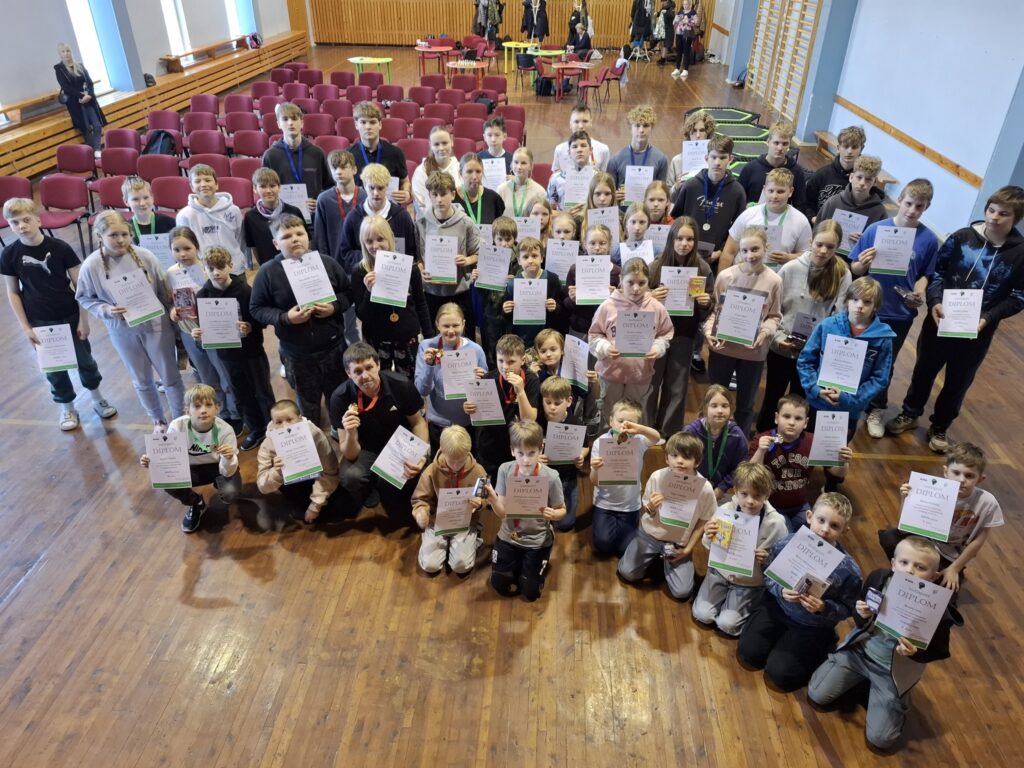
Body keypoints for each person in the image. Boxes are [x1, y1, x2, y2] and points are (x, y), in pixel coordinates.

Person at [807, 536, 963, 750]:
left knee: (881, 739)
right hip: (859, 652)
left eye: (920, 567)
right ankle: (860, 682)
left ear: (934, 576)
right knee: (816, 693)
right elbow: (859, 614)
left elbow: (939, 650)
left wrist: (915, 652)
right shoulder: (879, 578)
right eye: (904, 562)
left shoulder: (937, 608)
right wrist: (861, 613)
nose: (909, 571)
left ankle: (895, 699)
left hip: (892, 672)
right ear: (893, 563)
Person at [1, 197, 117, 430]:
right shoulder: (9, 254)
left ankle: (97, 399)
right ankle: (67, 408)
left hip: (69, 314)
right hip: (40, 320)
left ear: (38, 220)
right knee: (54, 369)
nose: (22, 226)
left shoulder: (60, 248)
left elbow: (81, 287)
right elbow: (13, 292)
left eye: (26, 220)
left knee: (85, 362)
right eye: (15, 222)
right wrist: (26, 327)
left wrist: (84, 320)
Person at [738, 492, 862, 691]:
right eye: (821, 520)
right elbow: (768, 574)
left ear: (845, 530)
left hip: (811, 625)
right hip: (777, 608)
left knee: (781, 674)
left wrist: (824, 607)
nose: (825, 529)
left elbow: (849, 608)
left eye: (834, 526)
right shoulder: (787, 542)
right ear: (809, 516)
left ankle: (824, 641)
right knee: (749, 653)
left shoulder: (850, 570)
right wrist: (780, 591)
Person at [76, 211, 184, 429]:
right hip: (122, 330)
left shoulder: (146, 256)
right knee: (142, 379)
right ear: (99, 236)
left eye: (124, 234)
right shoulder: (91, 265)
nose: (120, 240)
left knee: (170, 376)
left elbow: (165, 291)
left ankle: (180, 419)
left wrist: (175, 318)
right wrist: (106, 309)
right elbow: (84, 297)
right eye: (113, 235)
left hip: (156, 326)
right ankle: (158, 421)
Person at [849, 179, 938, 439]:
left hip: (899, 312)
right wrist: (863, 263)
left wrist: (919, 291)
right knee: (857, 356)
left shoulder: (928, 239)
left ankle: (876, 408)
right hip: (867, 308)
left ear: (926, 207)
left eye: (919, 206)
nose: (912, 210)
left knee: (885, 364)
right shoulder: (876, 230)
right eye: (909, 203)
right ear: (899, 200)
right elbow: (855, 268)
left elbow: (926, 274)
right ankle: (850, 403)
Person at [249, 214, 351, 425]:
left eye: (299, 233)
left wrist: (334, 307)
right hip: (296, 353)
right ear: (276, 243)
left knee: (338, 395)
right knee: (307, 401)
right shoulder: (268, 272)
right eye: (286, 236)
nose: (295, 239)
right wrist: (285, 317)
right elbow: (256, 308)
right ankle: (312, 431)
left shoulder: (327, 263)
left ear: (308, 236)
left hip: (333, 346)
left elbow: (348, 292)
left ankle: (339, 429)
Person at [755, 219, 851, 433]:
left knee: (802, 400)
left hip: (813, 351)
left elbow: (841, 316)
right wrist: (779, 339)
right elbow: (773, 310)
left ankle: (795, 443)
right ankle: (763, 438)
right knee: (773, 396)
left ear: (838, 247)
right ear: (810, 242)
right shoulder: (790, 268)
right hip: (782, 346)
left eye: (830, 247)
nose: (823, 251)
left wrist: (817, 343)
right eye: (819, 244)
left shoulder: (843, 273)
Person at [878, 442, 1002, 592]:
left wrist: (954, 569)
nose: (961, 479)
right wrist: (905, 499)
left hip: (949, 554)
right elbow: (904, 527)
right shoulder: (930, 489)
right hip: (922, 542)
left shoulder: (987, 503)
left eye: (969, 475)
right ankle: (907, 569)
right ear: (945, 471)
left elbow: (978, 540)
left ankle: (931, 571)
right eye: (956, 473)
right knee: (890, 538)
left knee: (946, 591)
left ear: (980, 479)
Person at [329, 342, 429, 519]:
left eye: (369, 367)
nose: (365, 376)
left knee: (391, 489)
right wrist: (350, 433)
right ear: (348, 374)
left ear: (378, 365)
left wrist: (420, 455)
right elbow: (350, 454)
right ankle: (369, 487)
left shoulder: (401, 385)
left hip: (399, 444)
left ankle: (384, 487)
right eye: (357, 371)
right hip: (365, 447)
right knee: (351, 477)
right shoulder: (340, 398)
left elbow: (418, 423)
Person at [617, 432, 718, 599]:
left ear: (697, 462)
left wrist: (688, 549)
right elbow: (648, 510)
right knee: (627, 573)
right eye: (675, 456)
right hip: (650, 535)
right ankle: (651, 556)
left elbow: (704, 519)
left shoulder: (705, 488)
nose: (680, 461)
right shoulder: (657, 477)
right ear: (666, 458)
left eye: (686, 457)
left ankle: (663, 561)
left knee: (682, 592)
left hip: (678, 543)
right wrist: (651, 507)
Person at [798, 277, 895, 448]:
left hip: (849, 409)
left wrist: (851, 399)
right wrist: (815, 389)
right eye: (855, 299)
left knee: (833, 453)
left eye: (867, 302)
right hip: (817, 402)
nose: (859, 306)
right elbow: (805, 361)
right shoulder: (827, 326)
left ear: (876, 306)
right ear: (847, 301)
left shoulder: (883, 338)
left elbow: (880, 378)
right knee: (806, 449)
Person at [194, 245, 275, 451]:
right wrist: (199, 335)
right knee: (241, 394)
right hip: (226, 355)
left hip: (252, 352)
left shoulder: (246, 291)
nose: (216, 272)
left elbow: (260, 319)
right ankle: (256, 429)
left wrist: (250, 327)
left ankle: (273, 427)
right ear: (204, 269)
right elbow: (204, 330)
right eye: (211, 268)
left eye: (221, 267)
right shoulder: (202, 296)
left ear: (230, 265)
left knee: (262, 391)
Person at [691, 462, 787, 636]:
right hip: (720, 573)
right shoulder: (725, 510)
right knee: (702, 615)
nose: (750, 501)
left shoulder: (776, 523)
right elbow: (708, 545)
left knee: (727, 625)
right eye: (744, 494)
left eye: (757, 496)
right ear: (735, 491)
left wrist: (768, 559)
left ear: (767, 494)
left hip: (749, 582)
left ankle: (754, 599)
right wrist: (708, 535)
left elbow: (783, 563)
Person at [704, 227, 783, 435]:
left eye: (755, 249)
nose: (749, 255)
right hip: (722, 349)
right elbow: (714, 312)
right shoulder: (725, 276)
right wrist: (708, 332)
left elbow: (774, 316)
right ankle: (711, 440)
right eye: (744, 250)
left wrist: (764, 333)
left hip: (753, 353)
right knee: (715, 400)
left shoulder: (774, 280)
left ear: (766, 248)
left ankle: (738, 445)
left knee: (746, 404)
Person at [165, 228, 241, 433]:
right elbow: (170, 300)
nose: (182, 254)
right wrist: (173, 311)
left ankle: (235, 413)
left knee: (224, 375)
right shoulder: (170, 274)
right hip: (189, 333)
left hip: (214, 331)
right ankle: (221, 413)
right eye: (176, 249)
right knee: (207, 377)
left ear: (196, 247)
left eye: (187, 248)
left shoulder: (208, 268)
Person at [481, 420, 565, 601]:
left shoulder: (551, 477)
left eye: (531, 453)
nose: (526, 460)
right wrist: (493, 499)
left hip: (536, 540)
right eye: (520, 453)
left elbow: (562, 510)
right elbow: (503, 514)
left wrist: (554, 514)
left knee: (530, 591)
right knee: (499, 583)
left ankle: (533, 561)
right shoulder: (505, 470)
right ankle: (518, 564)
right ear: (512, 450)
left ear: (541, 449)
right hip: (509, 536)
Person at [139, 384, 240, 533]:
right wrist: (153, 462)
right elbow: (168, 459)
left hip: (218, 467)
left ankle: (220, 485)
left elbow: (228, 471)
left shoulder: (226, 431)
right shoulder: (177, 426)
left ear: (217, 408)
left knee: (230, 494)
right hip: (189, 468)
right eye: (197, 406)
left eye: (208, 405)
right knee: (166, 479)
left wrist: (229, 458)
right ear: (187, 411)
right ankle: (196, 503)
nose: (203, 410)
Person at [647, 216, 712, 436]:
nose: (684, 244)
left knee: (677, 385)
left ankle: (669, 431)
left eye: (690, 239)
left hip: (684, 333)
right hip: (656, 334)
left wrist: (706, 302)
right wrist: (650, 296)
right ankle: (646, 428)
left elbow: (709, 306)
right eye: (679, 238)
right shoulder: (656, 266)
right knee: (651, 382)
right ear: (671, 239)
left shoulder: (701, 268)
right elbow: (637, 299)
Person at [589, 257, 673, 425]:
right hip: (611, 373)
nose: (636, 288)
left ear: (648, 281)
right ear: (621, 280)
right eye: (630, 282)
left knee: (634, 416)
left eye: (642, 283)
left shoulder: (657, 307)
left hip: (640, 374)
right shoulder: (607, 306)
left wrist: (657, 348)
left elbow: (665, 334)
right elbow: (594, 335)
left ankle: (632, 442)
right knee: (609, 415)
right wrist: (605, 348)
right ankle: (607, 441)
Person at [352, 215, 431, 378]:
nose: (375, 246)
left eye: (380, 239)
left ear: (390, 238)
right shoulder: (359, 271)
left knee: (409, 381)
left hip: (407, 335)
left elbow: (421, 304)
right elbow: (361, 314)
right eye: (369, 241)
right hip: (377, 337)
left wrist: (430, 338)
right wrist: (369, 292)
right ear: (363, 243)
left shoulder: (410, 267)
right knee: (381, 381)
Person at [411, 425, 489, 574]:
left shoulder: (478, 471)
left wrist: (480, 503)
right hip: (437, 522)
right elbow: (420, 500)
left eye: (460, 461)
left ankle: (470, 541)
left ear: (468, 452)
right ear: (442, 450)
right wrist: (421, 512)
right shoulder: (431, 470)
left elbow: (486, 496)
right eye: (451, 461)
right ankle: (436, 540)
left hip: (464, 523)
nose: (455, 466)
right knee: (430, 566)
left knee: (462, 566)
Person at [588, 398, 661, 557]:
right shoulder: (600, 443)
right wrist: (595, 469)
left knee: (624, 550)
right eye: (620, 421)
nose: (624, 426)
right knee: (603, 546)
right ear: (610, 421)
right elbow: (594, 481)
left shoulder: (639, 441)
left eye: (630, 423)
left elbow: (656, 438)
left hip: (630, 505)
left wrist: (639, 429)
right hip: (605, 503)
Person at [416, 302, 488, 455]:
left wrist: (481, 380)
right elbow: (422, 390)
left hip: (467, 422)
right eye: (445, 326)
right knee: (441, 465)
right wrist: (429, 365)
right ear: (437, 325)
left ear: (463, 324)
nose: (450, 331)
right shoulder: (427, 347)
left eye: (455, 325)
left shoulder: (476, 350)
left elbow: (485, 394)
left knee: (468, 464)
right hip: (438, 423)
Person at [256, 399, 345, 524]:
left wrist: (315, 505)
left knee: (343, 509)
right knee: (301, 515)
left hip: (317, 479)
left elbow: (330, 470)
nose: (285, 427)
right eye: (279, 422)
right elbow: (262, 487)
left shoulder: (315, 435)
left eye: (289, 419)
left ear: (300, 418)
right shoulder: (267, 444)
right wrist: (276, 472)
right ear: (272, 423)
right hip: (291, 486)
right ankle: (299, 503)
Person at [464, 333, 540, 479]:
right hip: (489, 447)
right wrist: (469, 408)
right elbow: (478, 415)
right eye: (501, 361)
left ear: (523, 360)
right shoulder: (488, 378)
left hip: (515, 448)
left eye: (511, 362)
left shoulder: (531, 380)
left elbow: (529, 420)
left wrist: (520, 392)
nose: (505, 367)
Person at [669, 133, 747, 270]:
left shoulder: (737, 192)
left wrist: (721, 251)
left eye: (722, 158)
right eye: (713, 157)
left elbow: (738, 230)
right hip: (686, 254)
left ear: (731, 159)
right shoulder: (690, 186)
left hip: (718, 258)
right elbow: (676, 220)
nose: (717, 162)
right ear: (706, 158)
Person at [418, 171, 481, 338]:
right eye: (435, 194)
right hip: (431, 292)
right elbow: (417, 257)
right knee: (432, 340)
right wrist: (421, 270)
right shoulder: (421, 223)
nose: (439, 199)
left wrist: (467, 260)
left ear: (453, 194)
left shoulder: (466, 222)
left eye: (443, 194)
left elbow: (479, 253)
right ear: (429, 196)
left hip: (459, 292)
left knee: (464, 339)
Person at [719, 167, 812, 271]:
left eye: (780, 191)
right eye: (770, 191)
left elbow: (807, 255)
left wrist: (789, 257)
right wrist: (721, 279)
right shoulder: (748, 215)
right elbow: (729, 252)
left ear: (790, 191)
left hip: (777, 277)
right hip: (743, 275)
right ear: (764, 190)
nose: (774, 196)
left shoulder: (801, 221)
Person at [339, 162, 418, 271]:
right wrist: (371, 258)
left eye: (380, 188)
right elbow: (346, 252)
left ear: (387, 186)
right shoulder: (353, 217)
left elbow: (411, 250)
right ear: (364, 185)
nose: (376, 193)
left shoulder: (402, 216)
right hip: (365, 273)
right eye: (371, 188)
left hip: (396, 274)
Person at [536, 375, 590, 531]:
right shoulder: (537, 423)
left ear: (568, 401)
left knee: (565, 524)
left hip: (567, 477)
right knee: (540, 519)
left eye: (557, 403)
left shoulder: (576, 424)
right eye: (548, 402)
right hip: (542, 477)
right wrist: (536, 457)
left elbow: (585, 446)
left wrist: (581, 455)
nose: (552, 407)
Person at [261, 102, 333, 219]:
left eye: (294, 119)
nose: (290, 123)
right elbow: (265, 189)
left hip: (314, 218)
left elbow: (329, 186)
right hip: (283, 219)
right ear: (279, 124)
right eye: (285, 119)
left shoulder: (317, 153)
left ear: (302, 123)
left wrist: (320, 202)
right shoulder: (270, 156)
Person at [175, 164, 246, 275]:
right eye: (197, 181)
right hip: (204, 272)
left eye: (207, 180)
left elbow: (240, 239)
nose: (203, 184)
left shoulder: (233, 210)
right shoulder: (185, 215)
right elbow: (185, 245)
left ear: (216, 184)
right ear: (192, 187)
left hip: (234, 268)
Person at [683, 384, 748, 501]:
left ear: (731, 408)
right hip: (690, 487)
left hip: (720, 492)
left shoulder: (737, 435)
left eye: (725, 406)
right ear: (705, 408)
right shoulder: (691, 432)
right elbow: (679, 461)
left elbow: (740, 467)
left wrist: (721, 489)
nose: (720, 411)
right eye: (714, 406)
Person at [472, 215, 518, 368]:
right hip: (492, 315)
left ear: (514, 239)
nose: (504, 244)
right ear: (493, 239)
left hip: (512, 317)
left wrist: (515, 282)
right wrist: (478, 281)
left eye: (508, 239)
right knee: (492, 353)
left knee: (512, 351)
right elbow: (483, 295)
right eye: (500, 239)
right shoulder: (486, 258)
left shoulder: (520, 260)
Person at [502, 236, 565, 346]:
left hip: (547, 337)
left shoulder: (552, 279)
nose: (530, 260)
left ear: (542, 258)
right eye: (525, 257)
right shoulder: (513, 284)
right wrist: (505, 310)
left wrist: (555, 307)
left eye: (535, 256)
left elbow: (562, 308)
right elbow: (507, 316)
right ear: (519, 260)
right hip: (522, 337)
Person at [564, 223, 621, 341]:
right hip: (580, 329)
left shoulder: (617, 272)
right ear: (585, 244)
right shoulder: (575, 269)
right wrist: (572, 299)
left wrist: (615, 297)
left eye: (602, 243)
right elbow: (565, 304)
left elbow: (624, 306)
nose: (597, 247)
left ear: (610, 244)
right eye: (592, 243)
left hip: (607, 331)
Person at [737, 119, 808, 214]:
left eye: (785, 144)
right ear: (768, 142)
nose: (780, 148)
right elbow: (738, 200)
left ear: (789, 145)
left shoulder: (796, 172)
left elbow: (800, 205)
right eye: (776, 143)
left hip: (782, 219)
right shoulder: (750, 169)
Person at [244, 168, 308, 268]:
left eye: (272, 186)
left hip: (296, 266)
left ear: (279, 187)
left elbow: (306, 239)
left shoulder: (294, 211)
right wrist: (263, 267)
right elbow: (253, 246)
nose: (268, 191)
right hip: (270, 267)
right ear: (255, 189)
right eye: (263, 186)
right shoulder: (250, 217)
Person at [350, 101, 412, 205]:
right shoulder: (349, 156)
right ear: (356, 125)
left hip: (389, 209)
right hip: (359, 210)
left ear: (380, 124)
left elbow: (405, 181)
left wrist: (406, 192)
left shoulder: (395, 153)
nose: (368, 127)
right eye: (363, 122)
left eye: (372, 122)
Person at [607, 105, 670, 202]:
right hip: (623, 210)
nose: (641, 130)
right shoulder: (615, 159)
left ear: (652, 128)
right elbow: (608, 193)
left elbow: (662, 192)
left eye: (646, 125)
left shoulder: (661, 159)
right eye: (637, 125)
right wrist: (613, 195)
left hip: (648, 210)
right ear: (630, 128)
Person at [314, 150, 366, 265]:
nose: (338, 172)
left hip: (362, 263)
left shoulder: (366, 197)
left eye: (343, 167)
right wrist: (326, 264)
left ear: (354, 170)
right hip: (334, 264)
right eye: (334, 168)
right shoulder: (324, 199)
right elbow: (320, 238)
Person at [804, 125, 865, 220]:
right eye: (845, 146)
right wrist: (812, 218)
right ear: (838, 147)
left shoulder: (864, 180)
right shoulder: (821, 175)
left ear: (862, 148)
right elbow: (807, 203)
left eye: (854, 147)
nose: (849, 151)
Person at [817, 155, 887, 235]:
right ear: (851, 177)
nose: (862, 183)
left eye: (868, 179)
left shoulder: (879, 211)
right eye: (859, 177)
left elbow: (879, 239)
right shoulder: (833, 203)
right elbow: (817, 232)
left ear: (874, 182)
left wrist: (863, 239)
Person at [54, 42, 105, 150]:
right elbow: (66, 88)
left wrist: (89, 95)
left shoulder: (80, 66)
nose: (66, 53)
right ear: (60, 54)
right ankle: (92, 152)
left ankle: (97, 149)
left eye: (68, 51)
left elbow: (90, 83)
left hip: (89, 100)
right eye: (63, 52)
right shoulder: (59, 69)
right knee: (86, 128)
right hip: (75, 103)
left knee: (97, 125)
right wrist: (82, 96)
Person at [668, 109, 717, 198]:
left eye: (702, 130)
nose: (697, 135)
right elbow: (667, 195)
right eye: (694, 130)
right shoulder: (676, 161)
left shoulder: (717, 160)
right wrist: (676, 186)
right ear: (688, 133)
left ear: (708, 133)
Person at [412, 126, 460, 216]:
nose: (441, 148)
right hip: (429, 221)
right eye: (436, 144)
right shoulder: (421, 171)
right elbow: (421, 205)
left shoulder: (460, 169)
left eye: (445, 143)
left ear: (452, 142)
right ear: (430, 145)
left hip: (457, 219)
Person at [550, 104, 611, 174]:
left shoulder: (603, 150)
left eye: (585, 121)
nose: (581, 126)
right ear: (570, 124)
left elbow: (604, 177)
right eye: (576, 121)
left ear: (591, 123)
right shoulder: (559, 150)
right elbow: (555, 176)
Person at [547, 130, 596, 215]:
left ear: (591, 150)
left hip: (591, 221)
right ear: (569, 152)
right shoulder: (556, 179)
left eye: (583, 145)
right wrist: (564, 214)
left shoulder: (599, 178)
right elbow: (548, 211)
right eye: (574, 146)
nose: (579, 150)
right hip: (564, 221)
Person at [122, 177, 176, 245]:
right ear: (126, 201)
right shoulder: (126, 228)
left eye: (146, 197)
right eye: (135, 199)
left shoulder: (169, 223)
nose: (142, 203)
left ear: (152, 197)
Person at [456, 153, 505, 226]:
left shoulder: (493, 198)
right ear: (460, 173)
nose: (474, 177)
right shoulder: (452, 198)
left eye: (478, 171)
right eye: (469, 171)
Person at [497, 148, 548, 217]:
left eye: (523, 163)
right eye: (516, 162)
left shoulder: (539, 191)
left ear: (531, 166)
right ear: (511, 164)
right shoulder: (501, 190)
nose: (519, 167)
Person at [670, 0, 700, 79]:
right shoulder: (680, 12)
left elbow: (696, 22)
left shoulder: (693, 12)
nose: (685, 6)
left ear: (690, 5)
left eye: (686, 4)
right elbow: (674, 23)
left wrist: (688, 21)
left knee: (686, 51)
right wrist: (676, 20)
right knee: (679, 51)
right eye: (684, 4)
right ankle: (677, 68)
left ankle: (685, 69)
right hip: (679, 33)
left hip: (687, 34)